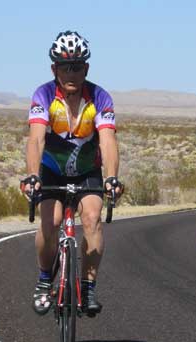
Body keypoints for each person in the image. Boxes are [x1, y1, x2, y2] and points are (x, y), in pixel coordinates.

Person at [22, 30, 123, 316]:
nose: (71, 73)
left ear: (86, 68)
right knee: (51, 222)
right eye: (64, 66)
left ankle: (88, 287)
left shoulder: (100, 97)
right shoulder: (43, 94)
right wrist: (32, 175)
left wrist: (111, 177)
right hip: (52, 172)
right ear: (53, 68)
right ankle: (44, 281)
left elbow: (107, 139)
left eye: (77, 66)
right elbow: (36, 139)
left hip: (86, 171)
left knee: (92, 218)